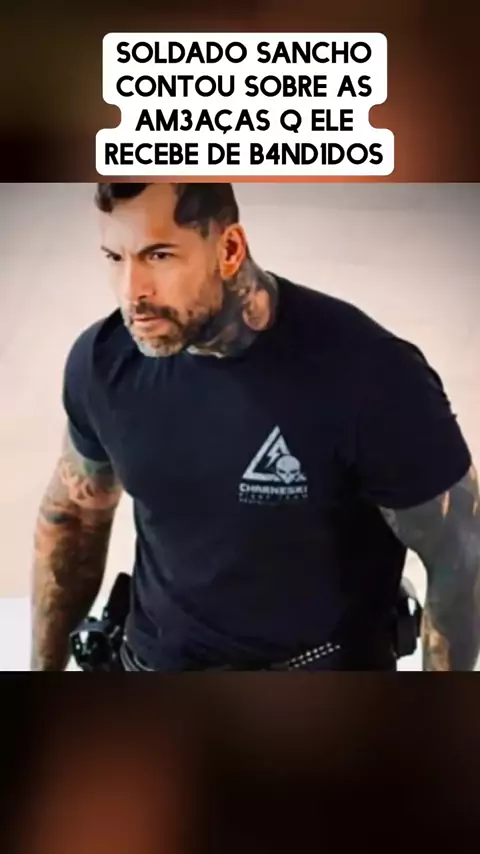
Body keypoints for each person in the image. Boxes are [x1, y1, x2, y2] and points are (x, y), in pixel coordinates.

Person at [31, 182, 480, 671]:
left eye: (158, 256)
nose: (132, 291)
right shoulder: (106, 361)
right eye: (115, 258)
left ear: (228, 249)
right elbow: (72, 518)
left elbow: (461, 557)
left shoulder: (369, 374)